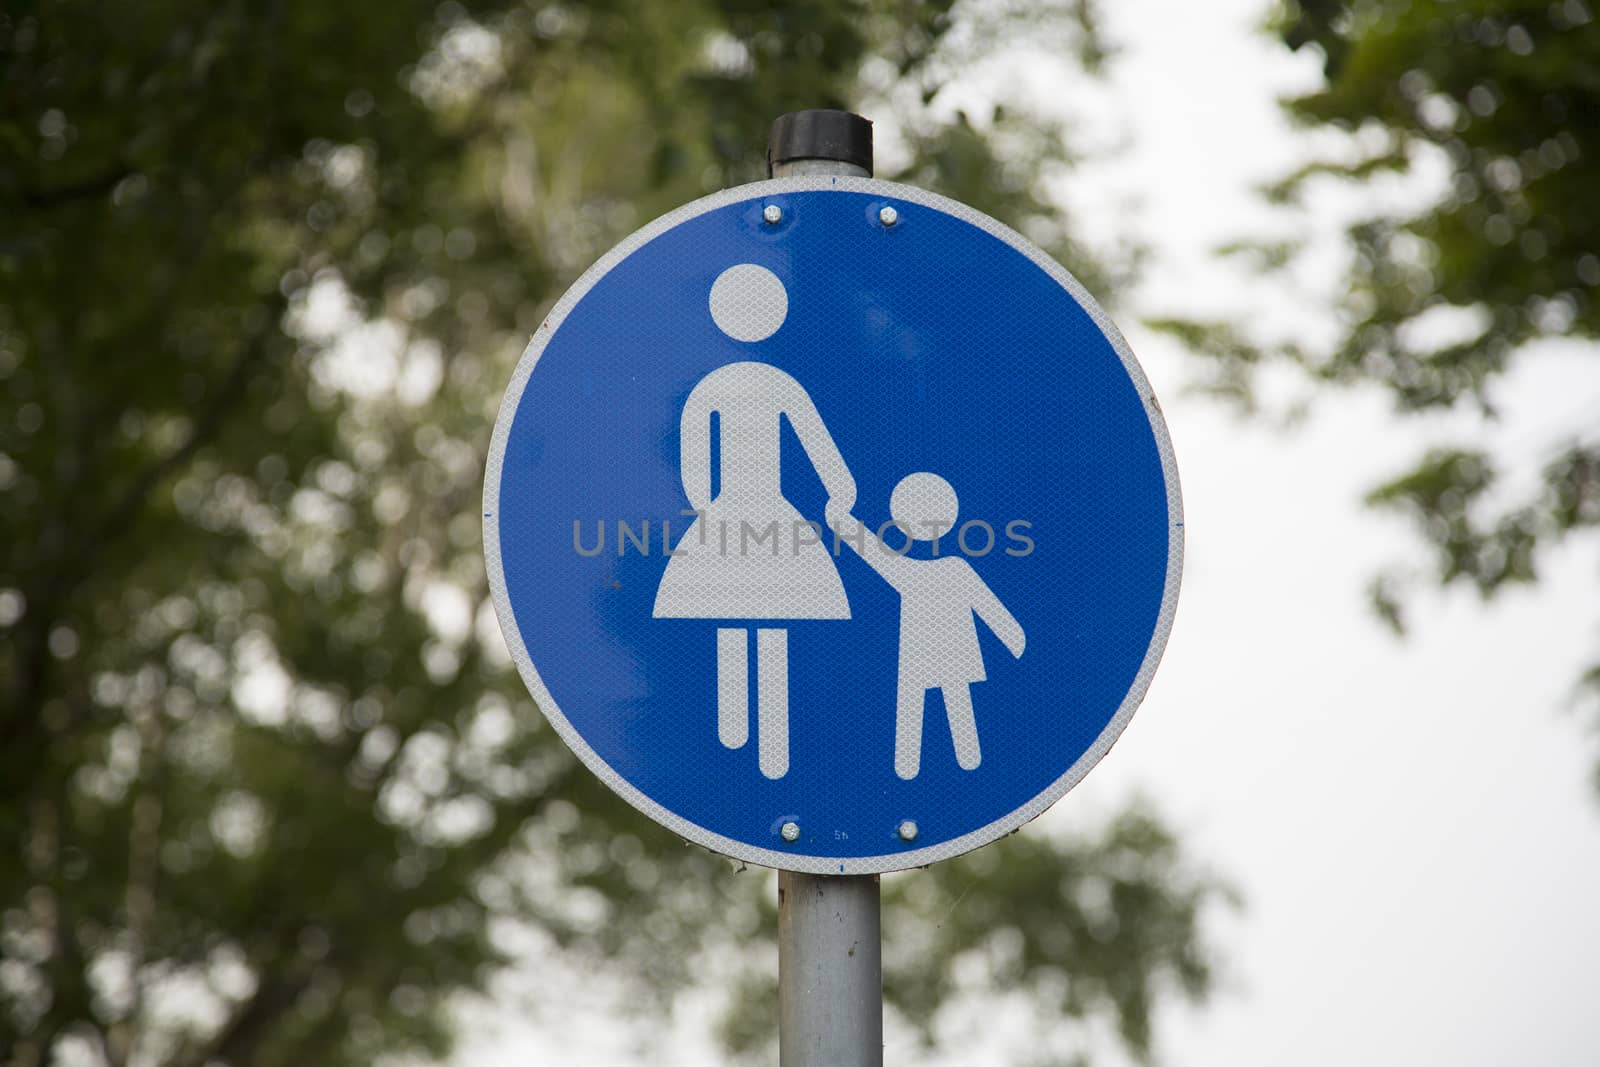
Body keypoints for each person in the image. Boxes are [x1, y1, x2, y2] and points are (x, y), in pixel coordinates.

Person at [654, 357, 855, 780]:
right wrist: (841, 490)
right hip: (753, 513)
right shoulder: (769, 382)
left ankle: (755, 740)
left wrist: (707, 510)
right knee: (752, 622)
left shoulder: (718, 383)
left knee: (755, 621)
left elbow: (693, 458)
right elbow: (817, 444)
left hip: (735, 515)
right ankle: (744, 739)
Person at [827, 472, 1024, 780]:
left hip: (935, 653)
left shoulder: (926, 572)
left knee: (931, 705)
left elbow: (876, 554)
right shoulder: (947, 569)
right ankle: (933, 767)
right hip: (934, 653)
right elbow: (874, 552)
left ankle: (923, 769)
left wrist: (842, 521)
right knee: (935, 704)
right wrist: (1014, 638)